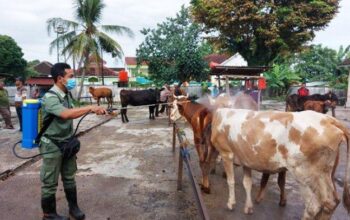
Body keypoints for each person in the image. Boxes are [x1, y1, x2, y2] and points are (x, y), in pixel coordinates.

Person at [40, 63, 107, 220]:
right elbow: (66, 114)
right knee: (50, 181)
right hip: (52, 144)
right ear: (60, 78)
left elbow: (75, 112)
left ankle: (73, 208)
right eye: (71, 76)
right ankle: (48, 214)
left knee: (69, 177)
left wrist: (98, 110)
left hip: (67, 142)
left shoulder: (67, 95)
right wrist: (90, 108)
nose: (73, 80)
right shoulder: (50, 97)